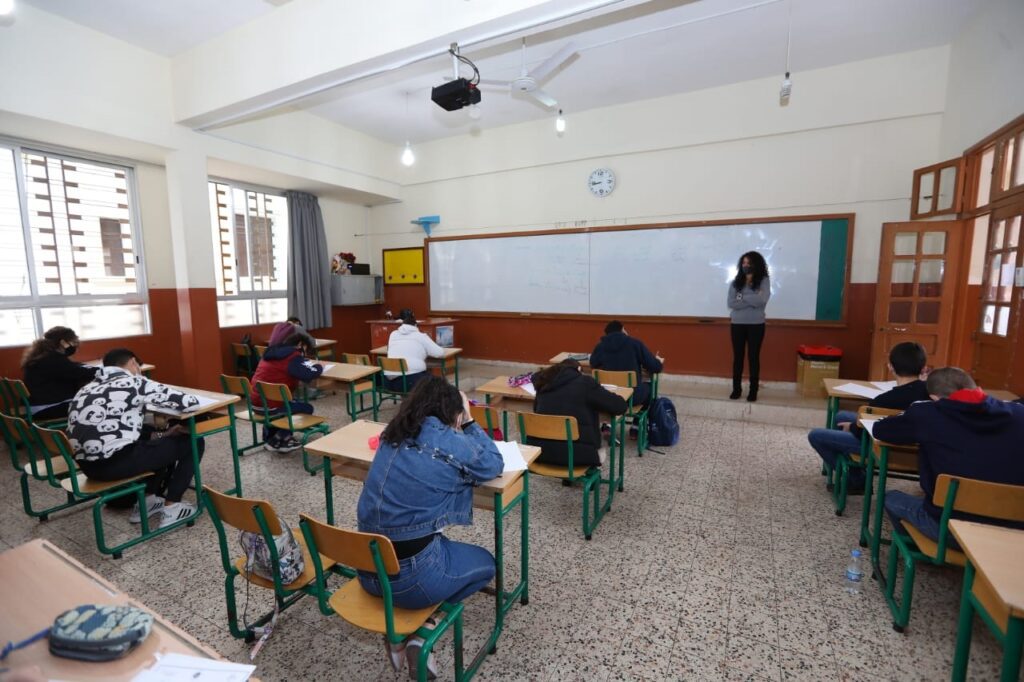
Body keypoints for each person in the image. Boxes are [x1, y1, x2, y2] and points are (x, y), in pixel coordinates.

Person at [356, 376, 503, 678]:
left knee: (429, 540)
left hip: (368, 570)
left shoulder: (392, 434)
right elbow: (492, 464)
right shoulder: (447, 440)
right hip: (413, 578)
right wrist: (470, 421)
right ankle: (423, 627)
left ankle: (403, 633)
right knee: (488, 565)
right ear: (450, 410)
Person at [873, 367, 1024, 541]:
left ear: (934, 398)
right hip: (1015, 530)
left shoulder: (927, 414)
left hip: (951, 529)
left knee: (891, 498)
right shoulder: (1019, 413)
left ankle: (916, 547)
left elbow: (880, 430)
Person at [68, 348, 203, 528]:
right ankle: (172, 508)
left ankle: (147, 502)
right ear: (132, 363)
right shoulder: (134, 382)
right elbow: (189, 402)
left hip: (87, 467)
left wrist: (164, 432)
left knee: (153, 437)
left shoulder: (86, 388)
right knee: (194, 441)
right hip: (115, 464)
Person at [806, 342, 930, 493]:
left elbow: (867, 431)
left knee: (816, 435)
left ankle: (856, 479)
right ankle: (850, 467)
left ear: (890, 367)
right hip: (916, 446)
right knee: (841, 416)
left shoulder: (883, 400)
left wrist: (851, 427)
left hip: (882, 447)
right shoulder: (930, 393)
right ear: (923, 368)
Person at [529, 358, 628, 467]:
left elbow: (536, 410)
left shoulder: (543, 384)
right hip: (579, 456)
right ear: (579, 369)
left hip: (541, 454)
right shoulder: (585, 383)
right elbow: (620, 407)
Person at [249, 321, 323, 453]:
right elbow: (308, 375)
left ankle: (271, 437)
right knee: (306, 408)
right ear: (299, 344)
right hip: (273, 406)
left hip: (255, 404)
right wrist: (318, 367)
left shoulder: (267, 354)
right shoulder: (292, 357)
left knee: (286, 403)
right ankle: (280, 438)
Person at [20, 326, 98, 420]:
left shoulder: (43, 357)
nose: (75, 346)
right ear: (63, 343)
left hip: (36, 406)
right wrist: (102, 370)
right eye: (74, 342)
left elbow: (71, 368)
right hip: (48, 408)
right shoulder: (54, 359)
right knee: (94, 402)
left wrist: (81, 366)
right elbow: (79, 373)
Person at [727, 251, 771, 402]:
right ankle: (736, 389)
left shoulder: (764, 281)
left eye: (749, 263)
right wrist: (753, 297)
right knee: (738, 357)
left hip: (756, 325)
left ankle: (753, 391)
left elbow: (762, 300)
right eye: (744, 263)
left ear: (756, 264)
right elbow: (731, 303)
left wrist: (742, 297)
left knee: (753, 357)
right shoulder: (735, 282)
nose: (746, 266)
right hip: (737, 324)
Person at [589, 320, 664, 408]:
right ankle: (640, 420)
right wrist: (657, 360)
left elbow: (593, 363)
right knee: (650, 388)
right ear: (622, 329)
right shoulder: (635, 344)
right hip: (633, 397)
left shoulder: (601, 346)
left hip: (610, 396)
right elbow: (656, 367)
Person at [384, 310, 445, 392]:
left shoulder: (393, 334)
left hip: (388, 383)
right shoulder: (420, 336)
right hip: (410, 382)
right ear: (416, 326)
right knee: (436, 382)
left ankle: (408, 400)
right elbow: (439, 353)